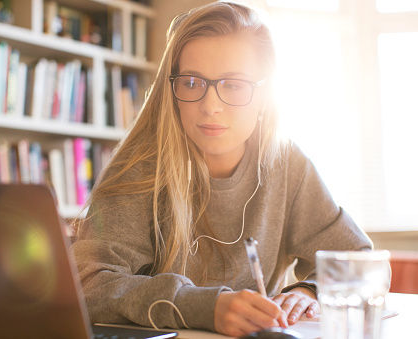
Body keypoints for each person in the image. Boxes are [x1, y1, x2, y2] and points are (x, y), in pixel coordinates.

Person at [72, 1, 372, 337]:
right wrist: (201, 307)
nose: (210, 106)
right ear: (171, 91)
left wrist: (308, 291)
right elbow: (88, 286)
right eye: (191, 82)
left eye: (234, 84)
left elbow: (358, 259)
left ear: (265, 94)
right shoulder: (139, 171)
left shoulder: (287, 164)